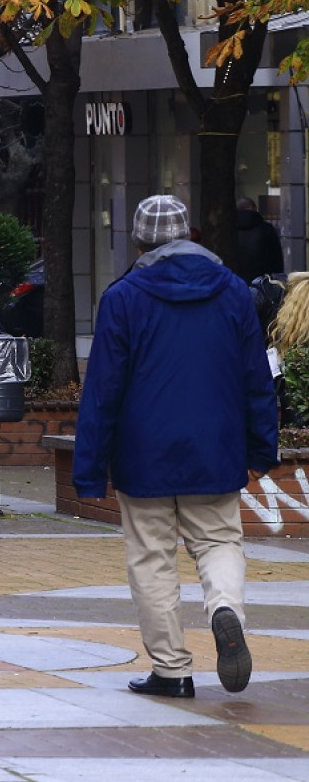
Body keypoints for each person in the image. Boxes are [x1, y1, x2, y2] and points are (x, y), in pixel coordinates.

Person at [76, 195, 278, 699]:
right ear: (193, 237)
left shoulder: (123, 297)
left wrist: (89, 467)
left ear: (140, 242)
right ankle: (225, 607)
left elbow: (103, 388)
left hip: (143, 451)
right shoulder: (233, 292)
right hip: (215, 446)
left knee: (151, 557)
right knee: (219, 541)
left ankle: (172, 669)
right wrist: (261, 448)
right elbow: (256, 379)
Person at [236, 196, 286, 279]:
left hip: (236, 282)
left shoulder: (228, 230)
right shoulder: (266, 229)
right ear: (252, 208)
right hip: (262, 282)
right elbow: (277, 260)